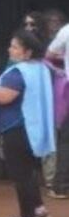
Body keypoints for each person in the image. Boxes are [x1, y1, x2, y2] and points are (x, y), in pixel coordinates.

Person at [0, 30, 56, 217]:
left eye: (15, 46)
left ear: (27, 52)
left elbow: (4, 97)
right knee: (28, 172)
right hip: (32, 128)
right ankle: (38, 209)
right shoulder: (41, 68)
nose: (10, 49)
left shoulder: (18, 72)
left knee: (21, 174)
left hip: (17, 128)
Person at [44, 11, 69, 200]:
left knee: (66, 140)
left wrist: (61, 66)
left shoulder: (66, 31)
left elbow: (49, 54)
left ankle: (62, 185)